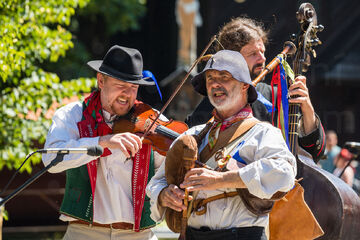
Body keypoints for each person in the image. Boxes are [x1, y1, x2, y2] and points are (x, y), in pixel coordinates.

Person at [146, 50, 296, 240]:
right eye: (210, 78)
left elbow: (284, 174)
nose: (215, 83)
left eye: (224, 76)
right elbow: (156, 182)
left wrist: (222, 180)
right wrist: (164, 194)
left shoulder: (264, 134)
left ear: (244, 86)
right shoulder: (192, 135)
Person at [42, 45, 165, 240]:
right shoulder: (71, 115)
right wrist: (103, 141)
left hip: (138, 235)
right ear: (101, 80)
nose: (127, 94)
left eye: (133, 88)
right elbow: (50, 160)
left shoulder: (151, 121)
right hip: (83, 233)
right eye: (120, 85)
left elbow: (166, 175)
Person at [185, 17, 325, 162]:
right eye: (253, 54)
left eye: (262, 52)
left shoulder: (275, 96)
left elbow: (313, 151)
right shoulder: (211, 106)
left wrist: (307, 109)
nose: (262, 58)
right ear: (233, 60)